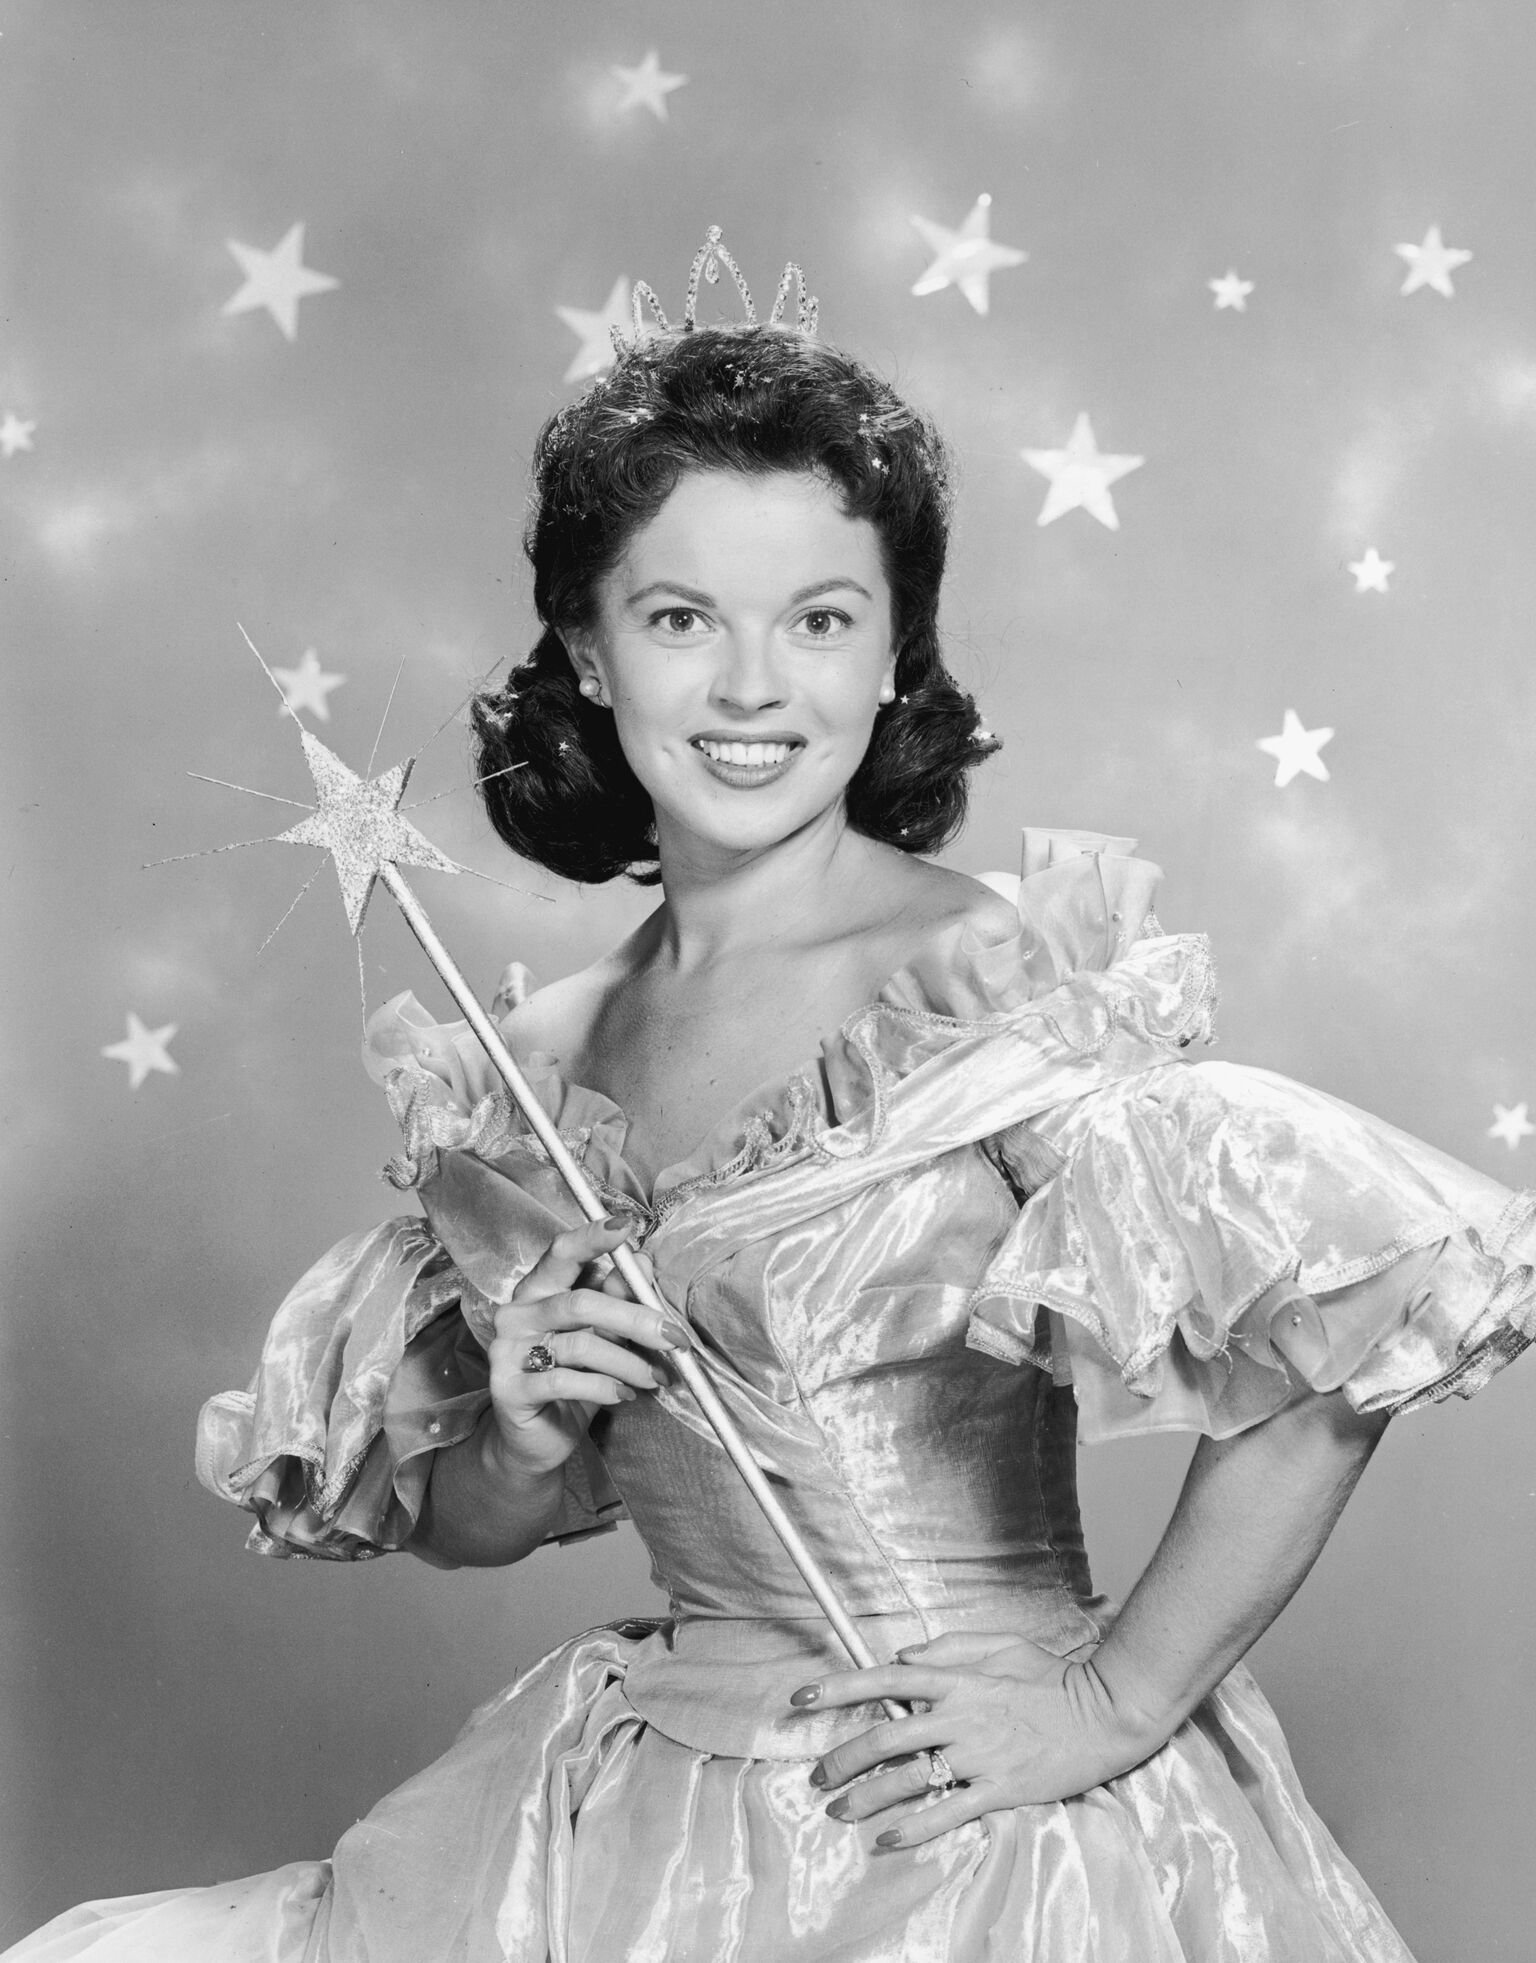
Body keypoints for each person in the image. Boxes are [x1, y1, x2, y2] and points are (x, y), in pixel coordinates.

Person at [11, 250, 1533, 1962]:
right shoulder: (532, 1065)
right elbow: (468, 1525)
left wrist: (1113, 1698)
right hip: (647, 1826)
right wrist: (518, 1438)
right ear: (590, 653)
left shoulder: (987, 986)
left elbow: (1348, 1327)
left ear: (894, 657)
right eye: (682, 619)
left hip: (970, 1824)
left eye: (820, 618)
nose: (753, 688)